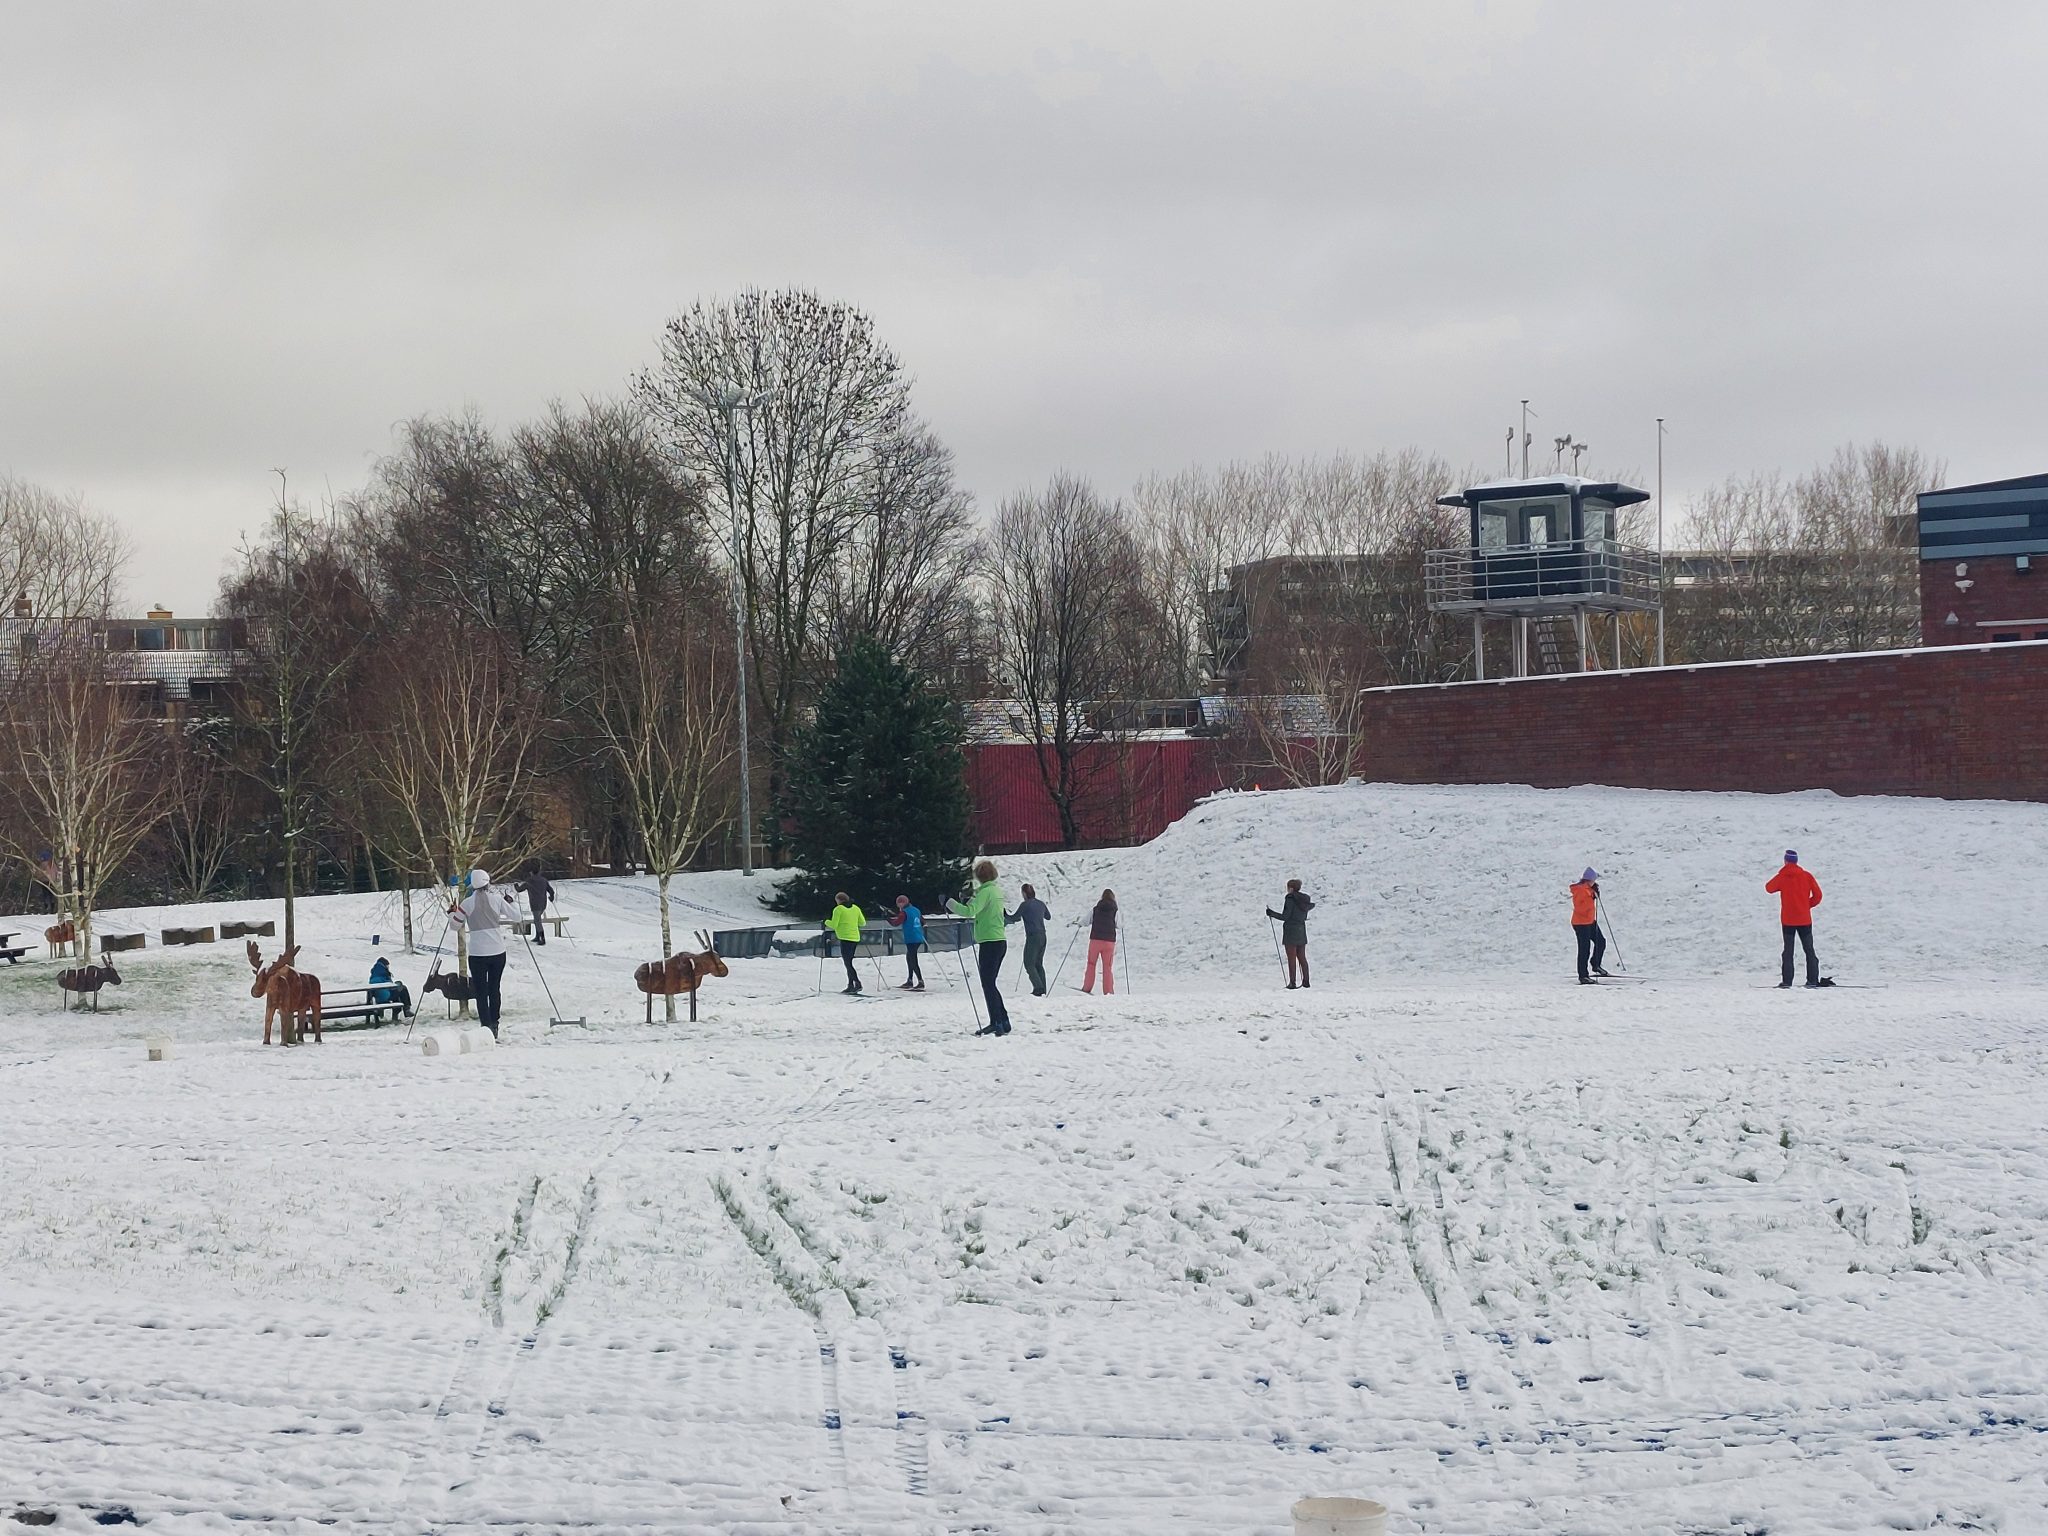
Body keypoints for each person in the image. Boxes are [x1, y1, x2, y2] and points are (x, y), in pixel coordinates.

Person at [449, 869, 520, 1037]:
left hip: (478, 954)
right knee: (494, 988)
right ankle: (495, 1023)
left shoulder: (466, 903)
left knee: (481, 991)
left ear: (472, 885)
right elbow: (517, 917)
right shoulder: (497, 900)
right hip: (497, 952)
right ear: (488, 882)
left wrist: (452, 912)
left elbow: (454, 925)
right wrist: (512, 902)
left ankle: (486, 1026)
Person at [949, 859, 1011, 1036]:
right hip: (999, 940)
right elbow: (983, 908)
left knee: (988, 984)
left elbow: (970, 912)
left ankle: (996, 1021)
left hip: (989, 942)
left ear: (979, 876)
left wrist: (950, 903)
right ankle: (1003, 1019)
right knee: (991, 983)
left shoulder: (985, 892)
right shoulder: (996, 891)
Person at [1766, 849, 1826, 988]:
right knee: (1809, 949)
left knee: (1788, 951)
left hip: (1788, 920)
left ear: (1786, 861)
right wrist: (1806, 905)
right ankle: (1812, 980)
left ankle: (1787, 981)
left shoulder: (1782, 877)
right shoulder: (1807, 876)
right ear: (1797, 861)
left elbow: (1768, 888)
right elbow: (1818, 896)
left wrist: (1780, 875)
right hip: (1805, 919)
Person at [1266, 879, 1314, 989]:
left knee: (1291, 957)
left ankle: (1292, 982)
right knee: (1302, 957)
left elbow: (1285, 916)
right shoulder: (1305, 899)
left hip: (1290, 931)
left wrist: (1271, 913)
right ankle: (1306, 981)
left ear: (1291, 888)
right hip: (1301, 929)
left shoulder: (1290, 898)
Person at [1006, 882, 1052, 996]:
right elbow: (1048, 917)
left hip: (1033, 936)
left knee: (1029, 963)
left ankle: (1038, 987)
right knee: (1038, 963)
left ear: (1024, 893)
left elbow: (1015, 918)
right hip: (1043, 935)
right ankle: (1043, 988)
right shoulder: (1041, 904)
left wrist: (1004, 914)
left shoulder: (1025, 905)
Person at [1569, 868, 1610, 984]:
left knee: (1601, 941)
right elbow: (1580, 908)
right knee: (1584, 949)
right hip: (1581, 923)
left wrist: (1594, 893)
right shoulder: (1581, 890)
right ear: (1589, 880)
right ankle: (1583, 976)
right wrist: (1592, 895)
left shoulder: (1588, 889)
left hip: (1590, 921)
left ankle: (1595, 964)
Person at [827, 892, 867, 994]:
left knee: (847, 963)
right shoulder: (855, 908)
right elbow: (863, 923)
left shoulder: (838, 909)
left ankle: (857, 983)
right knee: (849, 961)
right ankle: (850, 985)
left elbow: (834, 925)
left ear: (838, 900)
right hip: (855, 938)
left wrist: (826, 922)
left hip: (845, 938)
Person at [1082, 888, 1118, 994]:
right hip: (1109, 942)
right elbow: (1120, 924)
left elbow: (1085, 921)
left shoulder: (1096, 909)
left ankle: (1087, 987)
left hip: (1095, 940)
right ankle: (1108, 991)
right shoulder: (1115, 910)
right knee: (1107, 966)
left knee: (1091, 963)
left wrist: (1079, 924)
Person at [887, 894, 925, 990]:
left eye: (898, 904)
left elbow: (896, 923)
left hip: (911, 938)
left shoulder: (904, 912)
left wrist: (887, 918)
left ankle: (920, 981)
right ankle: (910, 980)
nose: (898, 906)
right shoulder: (916, 910)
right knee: (909, 958)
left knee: (912, 959)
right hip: (918, 937)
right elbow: (923, 922)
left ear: (902, 903)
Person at [517, 863, 556, 945]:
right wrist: (551, 897)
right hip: (543, 904)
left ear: (531, 872)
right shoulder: (544, 880)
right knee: (537, 920)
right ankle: (537, 936)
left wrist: (515, 885)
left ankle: (542, 938)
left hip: (535, 904)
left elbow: (519, 889)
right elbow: (551, 891)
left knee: (537, 921)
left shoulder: (529, 881)